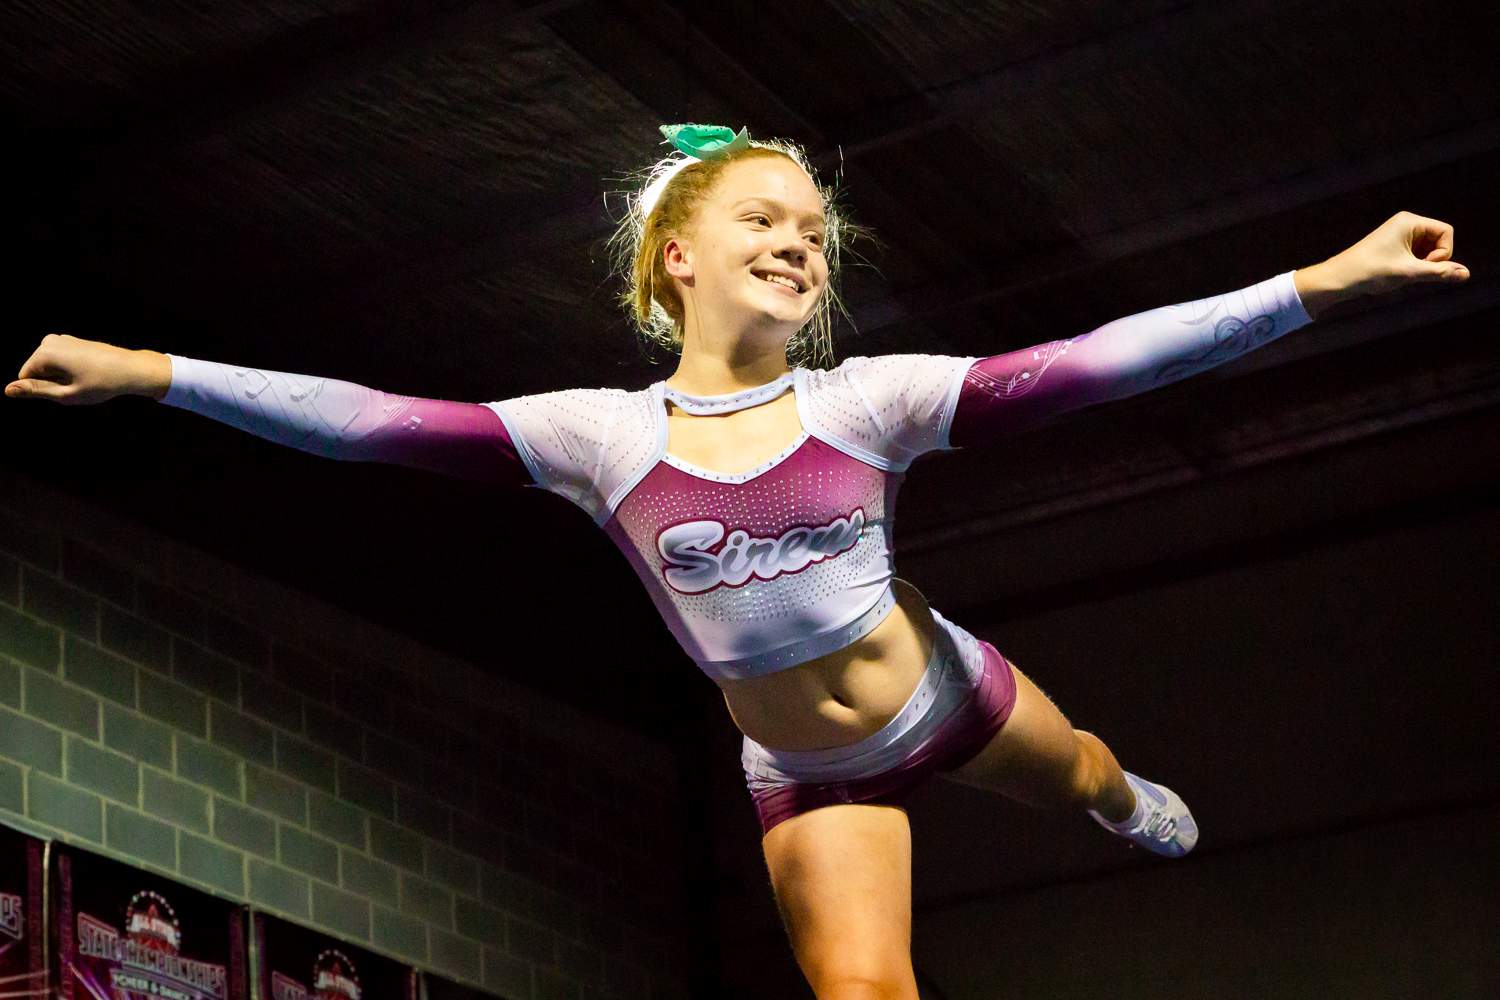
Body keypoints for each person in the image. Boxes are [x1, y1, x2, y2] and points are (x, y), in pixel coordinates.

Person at [7, 123, 1471, 999]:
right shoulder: (598, 436)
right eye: (764, 221)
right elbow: (373, 428)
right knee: (860, 991)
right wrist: (154, 370)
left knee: (1086, 774)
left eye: (816, 234)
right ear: (677, 264)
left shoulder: (863, 401)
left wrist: (1319, 286)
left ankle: (1117, 794)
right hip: (806, 772)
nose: (801, 246)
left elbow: (1097, 362)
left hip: (944, 692)